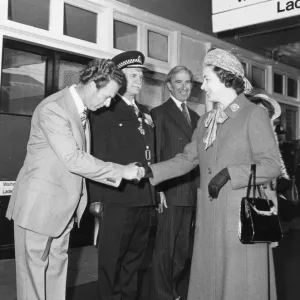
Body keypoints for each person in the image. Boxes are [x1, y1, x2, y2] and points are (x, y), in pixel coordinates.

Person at [143, 48, 281, 300]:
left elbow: (271, 165)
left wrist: (230, 173)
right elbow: (187, 158)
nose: (202, 85)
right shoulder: (206, 120)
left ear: (226, 78)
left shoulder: (253, 114)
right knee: (211, 281)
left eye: (207, 79)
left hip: (241, 219)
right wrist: (148, 171)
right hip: (209, 219)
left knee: (240, 285)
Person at [5, 58, 143, 300]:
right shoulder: (54, 108)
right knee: (33, 277)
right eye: (107, 96)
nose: (109, 103)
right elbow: (73, 158)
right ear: (92, 85)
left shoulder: (81, 111)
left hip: (64, 208)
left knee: (56, 270)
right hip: (38, 207)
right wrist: (121, 171)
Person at [88, 51, 156, 300]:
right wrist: (96, 198)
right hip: (115, 197)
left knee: (134, 261)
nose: (139, 80)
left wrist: (154, 193)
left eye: (141, 75)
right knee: (111, 261)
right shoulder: (104, 109)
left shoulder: (145, 113)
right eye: (133, 75)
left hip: (143, 198)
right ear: (119, 78)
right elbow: (95, 154)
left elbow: (150, 156)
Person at [150, 66, 200, 300]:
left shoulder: (198, 118)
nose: (184, 87)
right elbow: (155, 154)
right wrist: (157, 189)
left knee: (182, 251)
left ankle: (171, 289)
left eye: (188, 82)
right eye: (178, 82)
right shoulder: (158, 113)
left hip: (192, 192)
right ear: (169, 85)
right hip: (170, 191)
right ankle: (163, 295)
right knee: (165, 250)